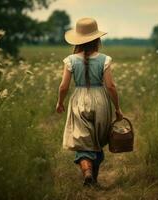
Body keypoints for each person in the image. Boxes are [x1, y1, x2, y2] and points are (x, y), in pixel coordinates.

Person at [56, 17, 123, 187]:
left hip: (79, 100)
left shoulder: (70, 60)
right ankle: (94, 178)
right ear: (97, 39)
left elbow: (63, 86)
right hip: (101, 101)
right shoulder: (105, 59)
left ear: (78, 40)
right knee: (97, 142)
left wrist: (60, 102)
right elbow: (111, 86)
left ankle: (87, 172)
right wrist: (117, 108)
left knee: (83, 142)